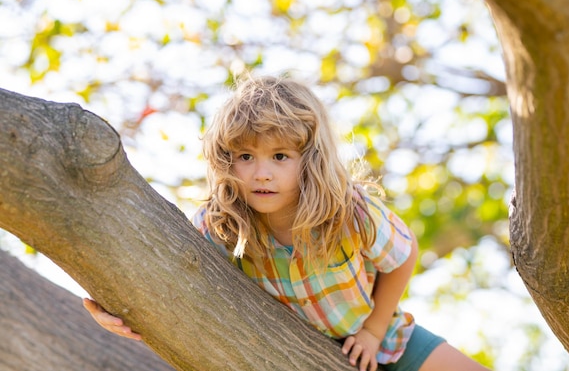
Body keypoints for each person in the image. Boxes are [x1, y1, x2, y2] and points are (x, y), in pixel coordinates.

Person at [84, 76, 490, 371]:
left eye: (280, 157)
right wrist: (109, 305)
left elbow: (403, 255)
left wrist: (373, 329)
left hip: (386, 340)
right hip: (288, 354)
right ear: (227, 161)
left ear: (309, 159)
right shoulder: (221, 226)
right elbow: (165, 276)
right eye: (246, 157)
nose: (262, 173)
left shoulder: (351, 212)